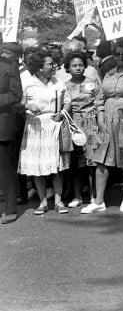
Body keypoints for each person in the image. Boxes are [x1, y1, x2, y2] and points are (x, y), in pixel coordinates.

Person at [83, 40, 123, 214]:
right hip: (107, 119)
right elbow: (100, 98)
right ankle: (99, 200)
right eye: (117, 54)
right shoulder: (108, 73)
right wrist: (100, 118)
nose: (120, 56)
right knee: (102, 157)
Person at [17, 48, 70, 215]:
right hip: (34, 126)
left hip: (54, 124)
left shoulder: (58, 82)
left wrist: (61, 113)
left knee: (55, 165)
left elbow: (67, 101)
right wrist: (27, 106)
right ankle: (42, 202)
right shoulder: (26, 83)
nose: (54, 66)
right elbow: (19, 103)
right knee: (37, 166)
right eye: (50, 64)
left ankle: (59, 201)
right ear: (40, 67)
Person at [62, 51, 105, 208]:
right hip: (73, 125)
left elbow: (100, 101)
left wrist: (100, 122)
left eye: (80, 65)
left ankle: (95, 196)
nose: (78, 68)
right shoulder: (65, 86)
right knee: (75, 162)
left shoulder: (92, 82)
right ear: (68, 67)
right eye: (74, 65)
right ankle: (77, 196)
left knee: (92, 162)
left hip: (91, 124)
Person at [0, 34, 23, 224]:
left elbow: (16, 95)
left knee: (5, 167)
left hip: (2, 122)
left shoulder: (9, 65)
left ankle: (10, 208)